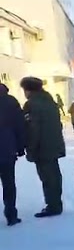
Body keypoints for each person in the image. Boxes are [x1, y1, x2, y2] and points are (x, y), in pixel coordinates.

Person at [20, 77, 66, 218]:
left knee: (47, 177)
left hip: (41, 147)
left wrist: (31, 150)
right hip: (54, 144)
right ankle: (56, 203)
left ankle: (53, 206)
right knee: (55, 175)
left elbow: (33, 129)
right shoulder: (50, 102)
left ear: (28, 90)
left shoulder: (31, 105)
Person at [0, 83, 26, 226]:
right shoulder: (10, 101)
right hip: (6, 148)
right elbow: (20, 125)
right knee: (9, 183)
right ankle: (11, 214)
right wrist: (20, 147)